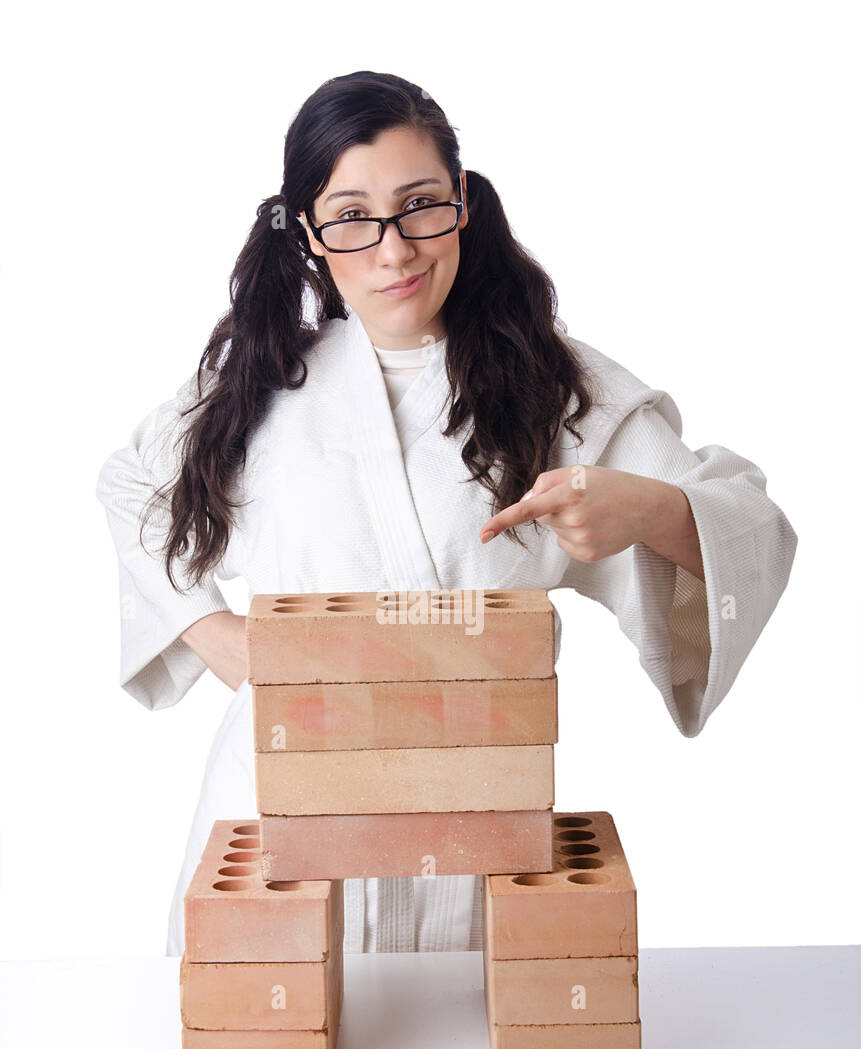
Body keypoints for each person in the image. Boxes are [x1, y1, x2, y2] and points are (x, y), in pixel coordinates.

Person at [95, 69, 798, 957]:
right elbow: (130, 486)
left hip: (479, 817)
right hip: (278, 802)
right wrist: (210, 631)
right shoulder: (257, 385)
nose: (393, 251)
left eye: (419, 205)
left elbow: (749, 522)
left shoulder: (557, 388)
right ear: (308, 233)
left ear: (462, 204)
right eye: (351, 216)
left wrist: (647, 508)